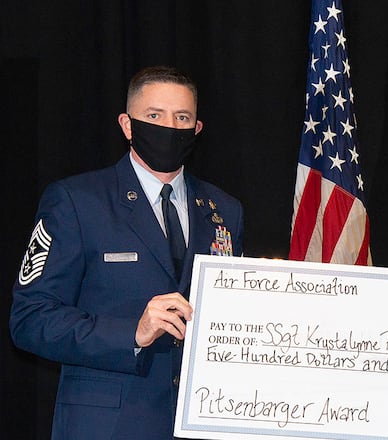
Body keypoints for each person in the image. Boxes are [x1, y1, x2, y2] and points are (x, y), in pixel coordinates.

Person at [9, 66, 244, 439]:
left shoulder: (223, 210)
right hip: (107, 426)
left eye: (182, 117)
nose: (169, 126)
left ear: (197, 128)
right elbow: (30, 320)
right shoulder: (76, 202)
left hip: (203, 422)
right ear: (127, 124)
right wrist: (131, 334)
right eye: (154, 116)